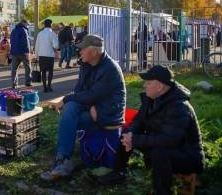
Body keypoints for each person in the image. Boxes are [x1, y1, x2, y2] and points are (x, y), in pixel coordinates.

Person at [100, 65, 205, 195]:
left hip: (187, 156)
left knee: (159, 152)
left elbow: (169, 141)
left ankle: (161, 191)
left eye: (148, 83)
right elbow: (138, 121)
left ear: (160, 87)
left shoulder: (179, 107)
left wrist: (135, 140)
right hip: (162, 145)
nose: (144, 85)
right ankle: (119, 172)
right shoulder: (152, 98)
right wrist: (130, 135)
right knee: (126, 132)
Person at [41, 34, 126, 180]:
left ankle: (63, 161)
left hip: (108, 113)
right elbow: (81, 92)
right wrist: (86, 103)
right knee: (71, 107)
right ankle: (62, 159)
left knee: (69, 117)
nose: (79, 52)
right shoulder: (87, 64)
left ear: (94, 51)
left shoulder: (110, 68)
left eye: (82, 49)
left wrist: (68, 99)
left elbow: (93, 94)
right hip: (94, 107)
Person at [35, 19, 58, 93]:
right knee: (50, 71)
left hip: (41, 55)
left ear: (44, 25)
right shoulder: (53, 34)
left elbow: (37, 45)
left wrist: (36, 55)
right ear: (50, 25)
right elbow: (56, 46)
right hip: (50, 55)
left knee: (43, 71)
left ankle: (44, 87)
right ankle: (49, 86)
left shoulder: (40, 34)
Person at [10, 19, 31, 88]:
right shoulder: (24, 30)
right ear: (24, 23)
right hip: (23, 52)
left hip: (14, 52)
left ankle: (14, 84)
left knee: (14, 69)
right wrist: (28, 51)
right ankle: (27, 82)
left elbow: (11, 42)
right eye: (28, 24)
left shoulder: (13, 31)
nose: (28, 26)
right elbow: (26, 42)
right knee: (28, 67)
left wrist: (11, 51)